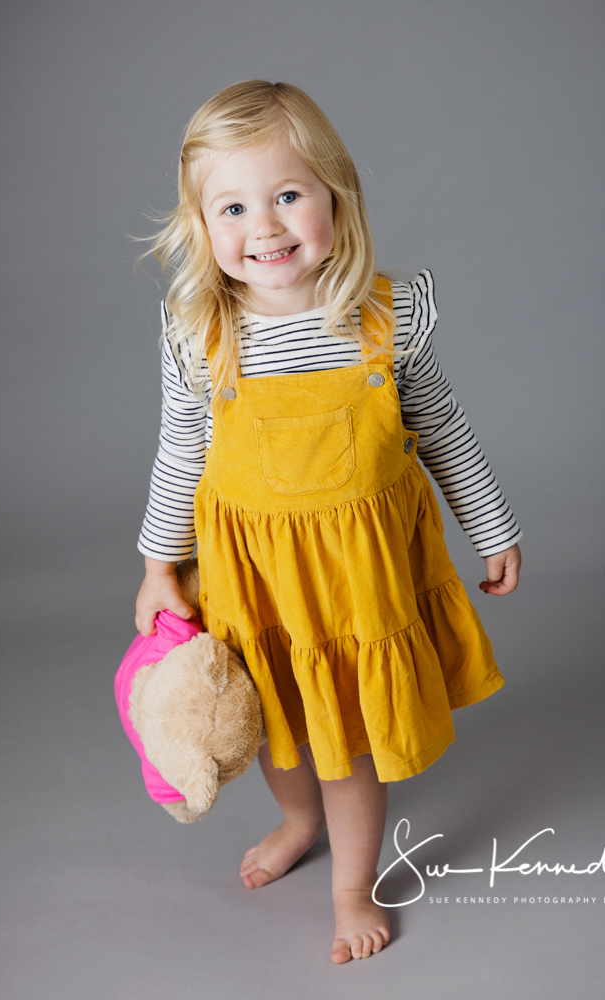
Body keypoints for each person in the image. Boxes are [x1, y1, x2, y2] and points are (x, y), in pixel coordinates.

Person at [133, 80, 522, 964]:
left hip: (356, 578)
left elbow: (443, 429)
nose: (263, 227)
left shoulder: (387, 317)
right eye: (232, 206)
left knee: (344, 739)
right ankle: (294, 818)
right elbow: (178, 453)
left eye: (287, 194)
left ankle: (352, 880)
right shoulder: (200, 332)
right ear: (200, 223)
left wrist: (491, 528)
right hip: (259, 577)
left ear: (337, 197)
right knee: (276, 723)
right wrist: (160, 564)